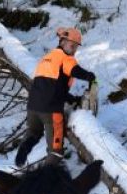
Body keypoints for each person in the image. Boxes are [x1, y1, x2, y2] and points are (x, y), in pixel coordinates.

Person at [14, 27, 97, 167]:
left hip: (33, 107)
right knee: (56, 152)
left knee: (34, 132)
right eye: (72, 45)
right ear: (63, 41)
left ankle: (22, 151)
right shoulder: (66, 58)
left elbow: (54, 87)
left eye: (76, 47)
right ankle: (45, 181)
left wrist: (72, 99)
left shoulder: (47, 58)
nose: (74, 50)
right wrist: (90, 77)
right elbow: (75, 71)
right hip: (50, 111)